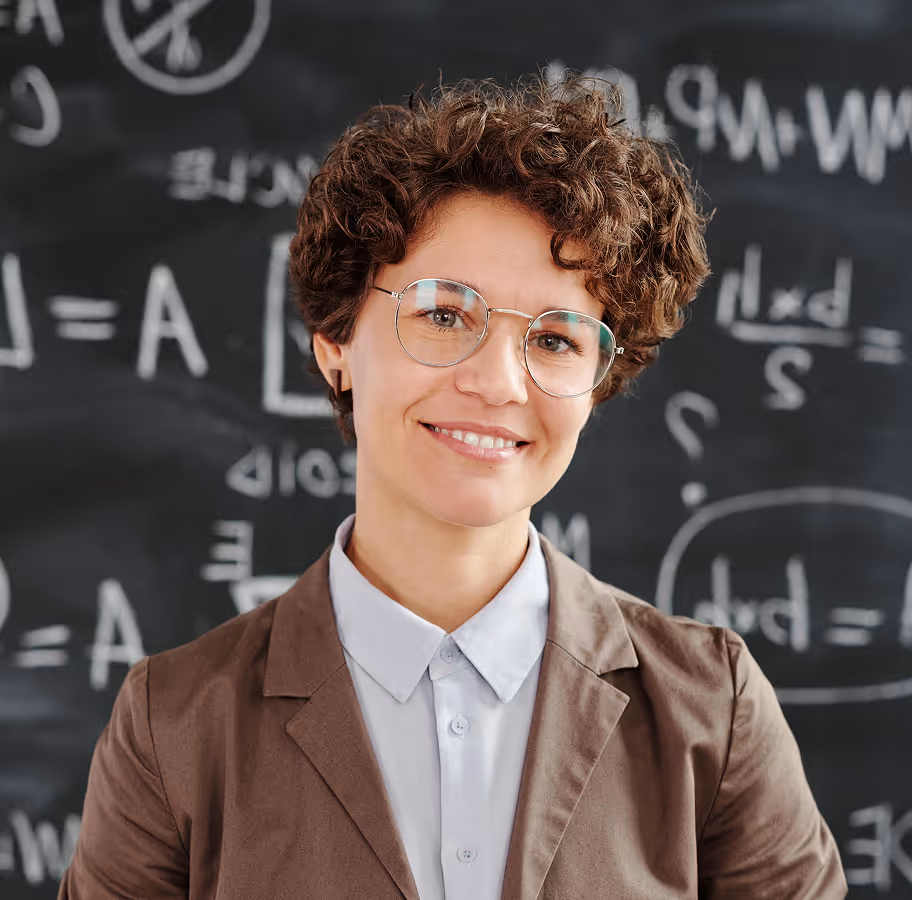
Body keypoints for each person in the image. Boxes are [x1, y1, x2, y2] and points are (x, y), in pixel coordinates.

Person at [58, 72, 848, 899]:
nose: (500, 382)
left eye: (555, 339)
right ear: (337, 340)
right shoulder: (172, 726)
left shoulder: (710, 710)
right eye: (443, 315)